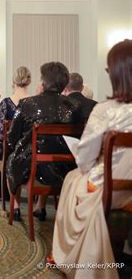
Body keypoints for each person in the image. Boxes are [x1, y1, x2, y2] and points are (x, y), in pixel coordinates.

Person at [52, 40, 132, 279]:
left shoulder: (106, 110)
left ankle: (71, 253)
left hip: (114, 190)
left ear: (116, 73)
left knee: (73, 178)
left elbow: (85, 159)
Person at [6, 62, 81, 222]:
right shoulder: (74, 107)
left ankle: (16, 207)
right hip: (66, 169)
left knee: (13, 159)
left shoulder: (28, 104)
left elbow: (12, 137)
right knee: (50, 152)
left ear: (44, 82)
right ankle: (40, 206)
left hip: (32, 167)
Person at [0, 66, 31, 199]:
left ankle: (7, 197)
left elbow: (1, 135)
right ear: (29, 81)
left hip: (9, 150)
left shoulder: (5, 103)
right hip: (29, 150)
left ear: (13, 81)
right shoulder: (34, 103)